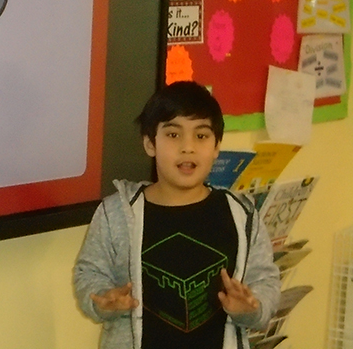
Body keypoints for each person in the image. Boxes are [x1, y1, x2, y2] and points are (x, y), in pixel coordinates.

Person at [73, 80, 280, 349]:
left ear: (217, 146)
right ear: (150, 144)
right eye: (173, 135)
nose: (188, 147)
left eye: (201, 136)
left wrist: (251, 309)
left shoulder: (241, 214)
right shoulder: (116, 214)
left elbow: (265, 281)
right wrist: (102, 300)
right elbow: (89, 272)